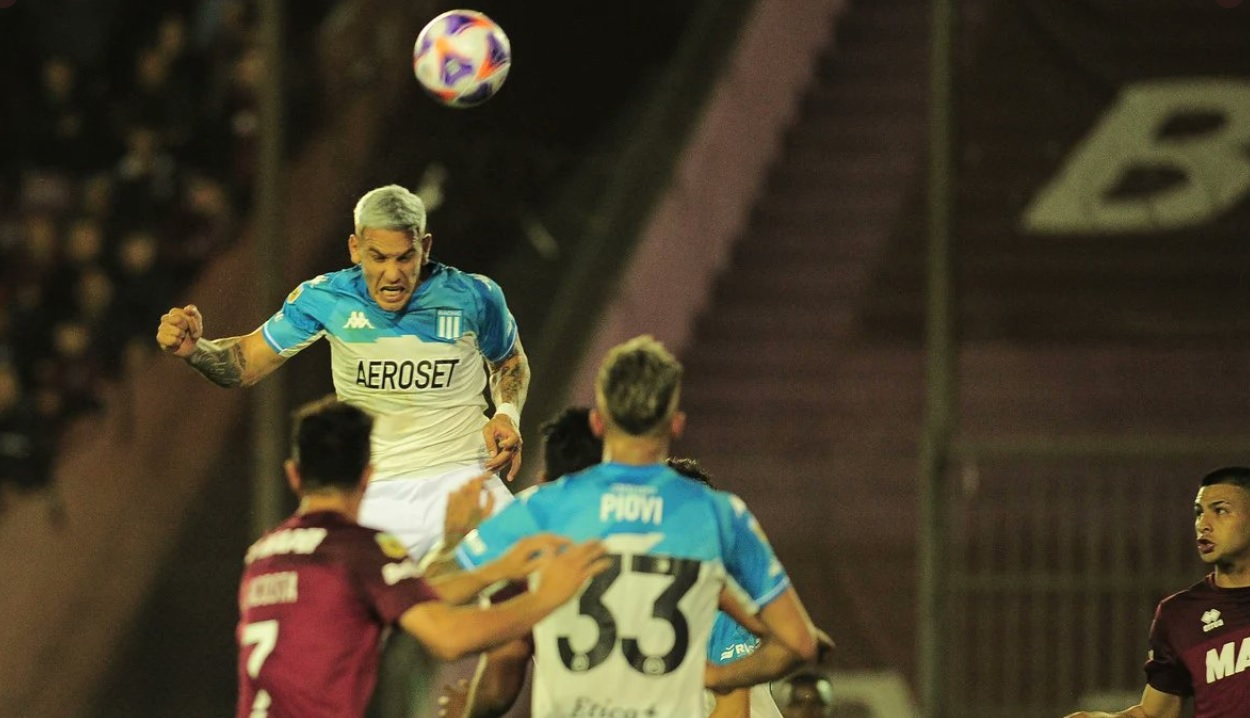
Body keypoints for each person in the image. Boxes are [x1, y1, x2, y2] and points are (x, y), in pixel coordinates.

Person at [453, 335, 820, 717]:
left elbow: (440, 600)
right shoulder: (717, 519)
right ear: (675, 424)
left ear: (599, 422)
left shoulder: (541, 515)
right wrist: (712, 678)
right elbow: (798, 643)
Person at [156, 184, 529, 559]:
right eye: (378, 257)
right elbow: (244, 364)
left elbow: (508, 360)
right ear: (355, 249)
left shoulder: (473, 295)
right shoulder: (325, 299)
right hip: (377, 493)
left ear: (425, 247)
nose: (392, 274)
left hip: (467, 475)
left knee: (537, 581)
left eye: (405, 257)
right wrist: (195, 350)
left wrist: (507, 413)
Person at [235, 396, 608, 718]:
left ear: (294, 475)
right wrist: (546, 596)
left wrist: (488, 566)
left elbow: (410, 599)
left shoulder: (263, 555)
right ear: (367, 476)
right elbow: (446, 635)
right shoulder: (359, 550)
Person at [1062, 466, 1250, 718]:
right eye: (1198, 513)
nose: (1203, 524)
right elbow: (1156, 713)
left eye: (1220, 511)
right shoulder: (1180, 614)